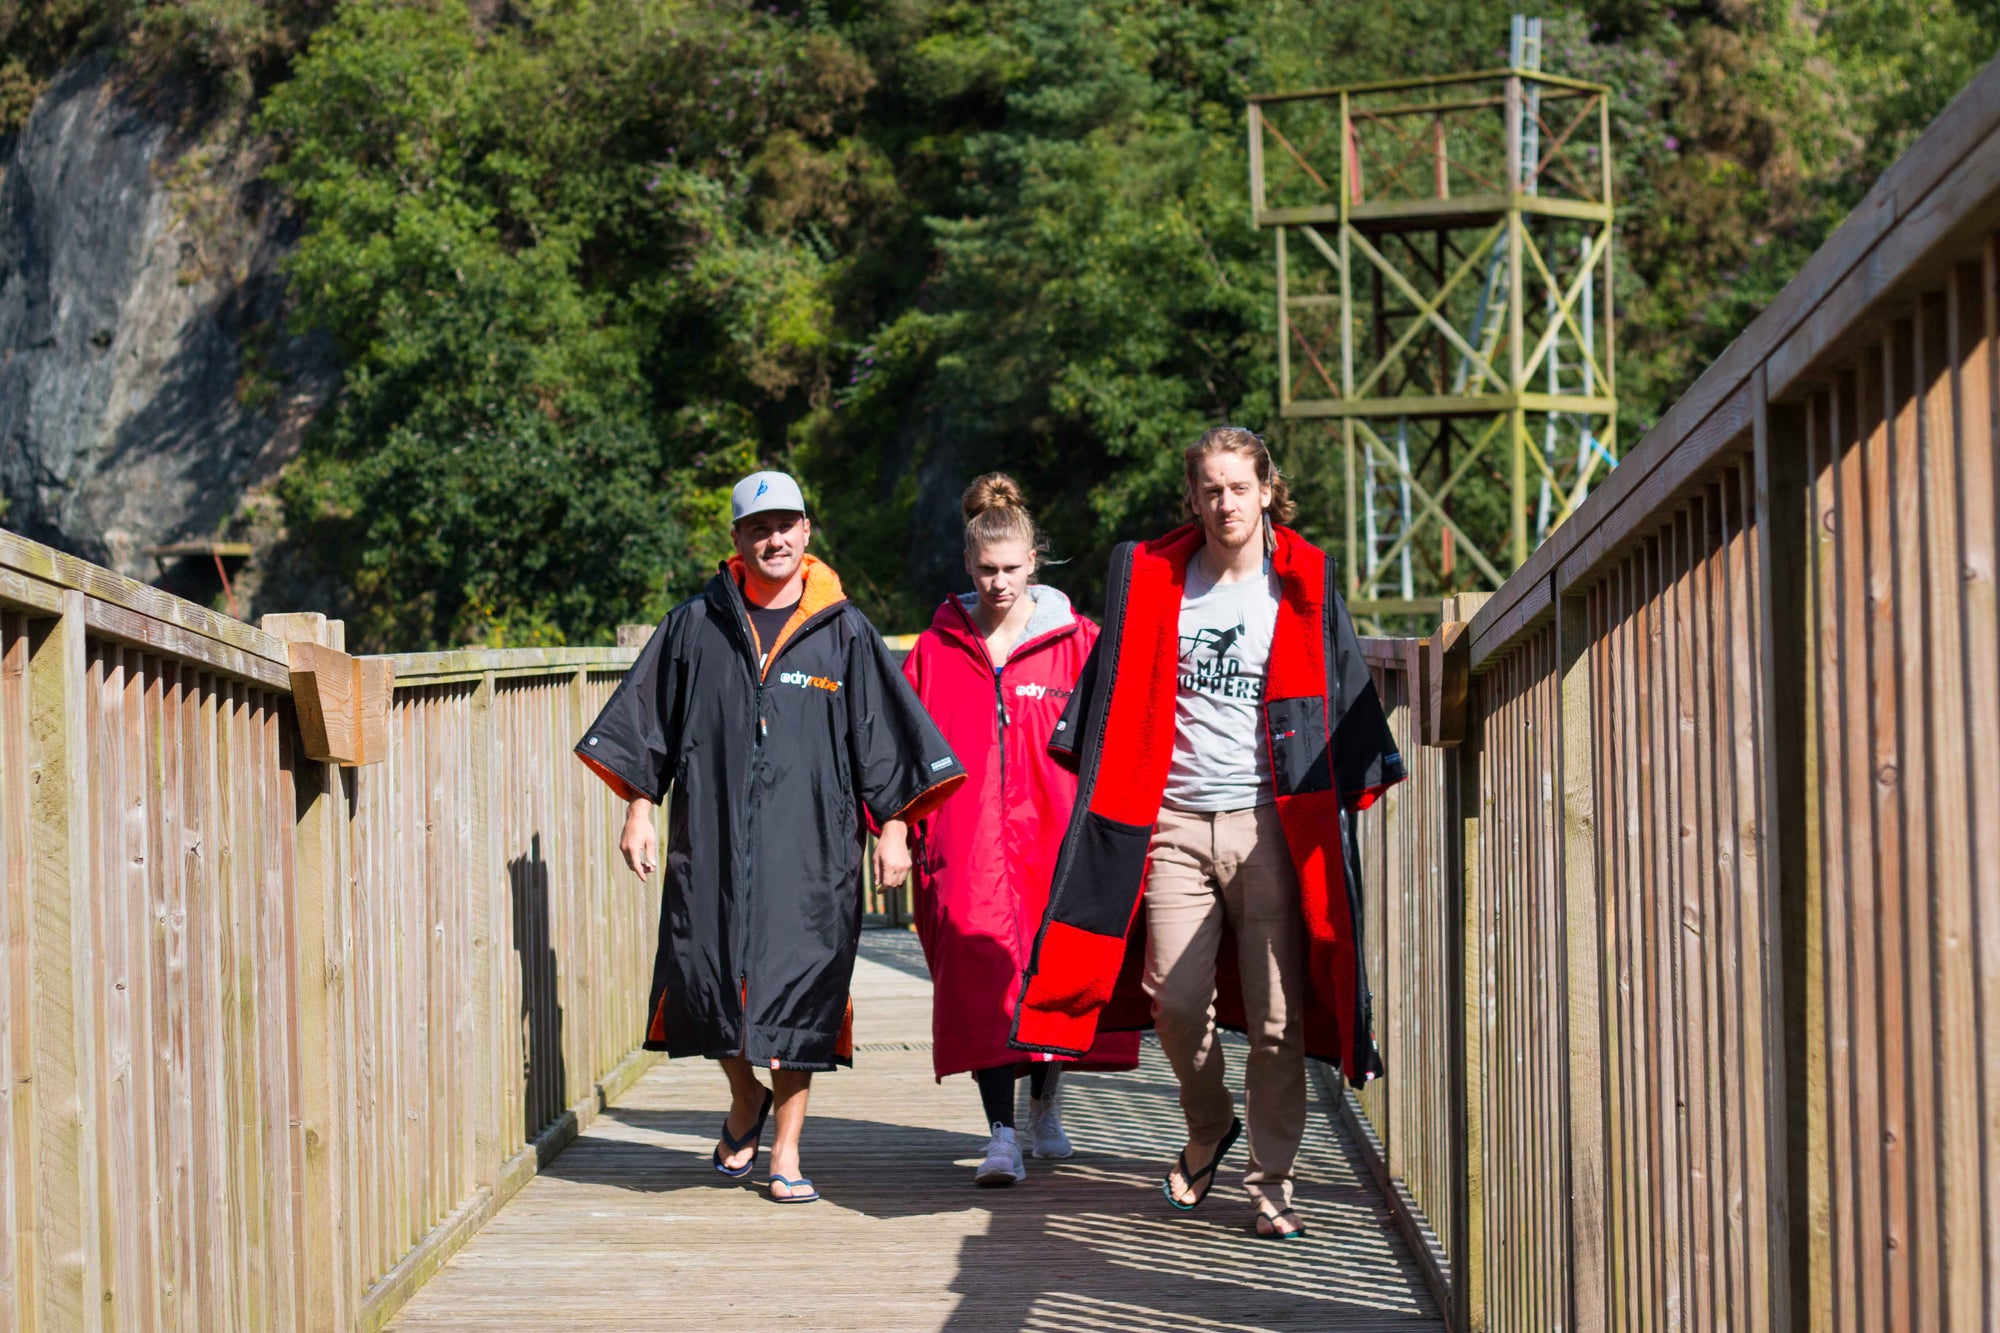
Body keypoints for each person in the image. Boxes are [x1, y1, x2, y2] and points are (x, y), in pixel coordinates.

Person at [1010, 427, 1406, 1239]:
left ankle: (1272, 1180)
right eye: (1210, 489)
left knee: (1276, 1019)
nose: (1225, 502)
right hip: (1172, 819)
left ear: (1267, 490)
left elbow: (1339, 686)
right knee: (1173, 1000)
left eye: (1239, 486)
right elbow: (1113, 686)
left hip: (1270, 824)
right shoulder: (1153, 579)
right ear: (1193, 498)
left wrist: (1359, 782)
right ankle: (1208, 1121)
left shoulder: (1300, 581)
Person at [576, 470, 966, 1204]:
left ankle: (786, 1148)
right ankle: (743, 1096)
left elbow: (889, 741)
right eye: (759, 527)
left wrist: (896, 827)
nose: (774, 538)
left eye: (786, 524)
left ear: (807, 532)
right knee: (702, 980)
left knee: (804, 994)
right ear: (737, 540)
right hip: (712, 840)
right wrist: (637, 806)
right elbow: (647, 724)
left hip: (812, 849)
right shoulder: (695, 625)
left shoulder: (844, 630)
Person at [885, 475, 1140, 1187]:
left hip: (1056, 840)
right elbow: (903, 751)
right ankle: (1000, 1132)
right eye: (986, 570)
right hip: (965, 846)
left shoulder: (1080, 643)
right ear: (968, 566)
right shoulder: (934, 652)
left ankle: (1046, 1101)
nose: (999, 583)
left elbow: (1120, 734)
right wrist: (896, 828)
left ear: (1035, 561)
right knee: (979, 981)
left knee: (1053, 973)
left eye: (1011, 568)